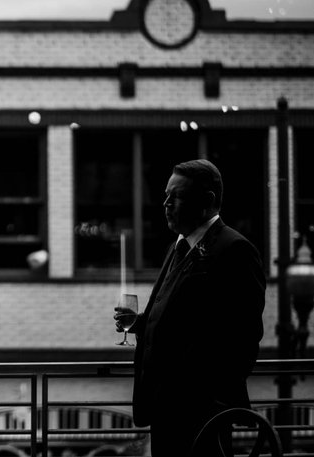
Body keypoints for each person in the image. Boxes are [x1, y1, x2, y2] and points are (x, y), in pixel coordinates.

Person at [114, 159, 266, 456]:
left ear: (207, 201)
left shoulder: (235, 250)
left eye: (177, 196)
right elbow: (183, 319)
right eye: (167, 195)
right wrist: (143, 322)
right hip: (163, 410)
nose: (166, 203)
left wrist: (211, 402)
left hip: (202, 416)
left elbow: (245, 336)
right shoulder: (176, 247)